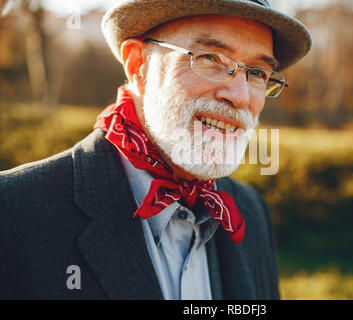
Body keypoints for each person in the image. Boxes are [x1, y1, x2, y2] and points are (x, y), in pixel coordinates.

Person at [0, 0, 311, 299]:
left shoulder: (250, 211)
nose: (241, 96)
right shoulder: (14, 211)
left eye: (257, 73)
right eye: (210, 58)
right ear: (138, 65)